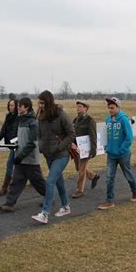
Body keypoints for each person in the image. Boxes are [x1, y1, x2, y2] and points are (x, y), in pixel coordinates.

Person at [31, 90, 75, 224]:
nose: (40, 105)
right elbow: (39, 134)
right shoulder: (41, 116)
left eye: (43, 103)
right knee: (58, 181)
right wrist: (41, 146)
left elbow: (71, 134)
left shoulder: (61, 115)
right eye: (39, 103)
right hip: (48, 154)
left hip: (61, 155)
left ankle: (45, 213)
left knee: (50, 181)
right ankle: (66, 206)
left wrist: (60, 147)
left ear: (49, 102)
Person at [0, 97, 46, 212]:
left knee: (38, 182)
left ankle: (49, 197)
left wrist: (20, 156)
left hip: (30, 159)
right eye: (18, 106)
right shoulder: (20, 120)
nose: (18, 108)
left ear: (27, 107)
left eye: (20, 106)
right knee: (16, 182)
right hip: (21, 158)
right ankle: (9, 204)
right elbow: (20, 138)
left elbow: (32, 143)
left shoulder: (33, 123)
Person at [98, 97, 136, 210]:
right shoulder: (108, 119)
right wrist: (106, 146)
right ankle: (109, 200)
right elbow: (105, 135)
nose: (110, 110)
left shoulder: (123, 119)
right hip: (111, 154)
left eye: (112, 108)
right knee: (109, 177)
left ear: (118, 107)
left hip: (123, 154)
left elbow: (129, 138)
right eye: (109, 108)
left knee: (127, 173)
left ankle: (135, 190)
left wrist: (121, 149)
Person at [71, 101, 100, 198]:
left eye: (80, 107)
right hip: (76, 148)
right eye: (77, 107)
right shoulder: (75, 120)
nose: (77, 108)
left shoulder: (90, 120)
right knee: (78, 167)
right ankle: (93, 176)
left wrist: (93, 149)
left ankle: (79, 191)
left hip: (85, 149)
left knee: (81, 170)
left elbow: (93, 136)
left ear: (85, 108)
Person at [0, 98, 20, 196]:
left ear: (17, 106)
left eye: (12, 105)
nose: (10, 107)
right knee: (13, 166)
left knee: (12, 166)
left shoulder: (20, 117)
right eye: (9, 105)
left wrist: (16, 142)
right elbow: (3, 131)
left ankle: (5, 188)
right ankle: (5, 188)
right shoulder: (8, 117)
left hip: (18, 146)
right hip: (12, 146)